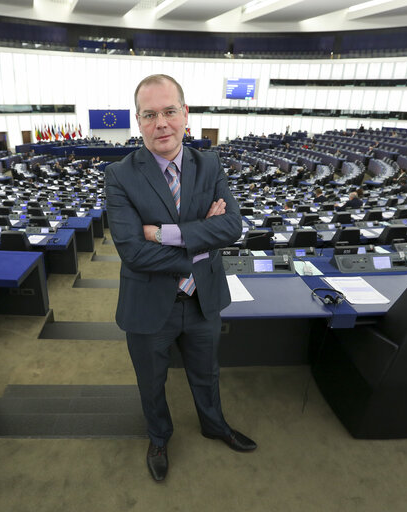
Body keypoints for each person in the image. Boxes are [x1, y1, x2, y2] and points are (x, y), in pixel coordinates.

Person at [105, 74, 255, 483]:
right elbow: (133, 252)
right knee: (151, 383)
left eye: (170, 111)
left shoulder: (210, 164)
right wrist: (201, 244)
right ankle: (158, 437)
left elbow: (233, 227)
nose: (161, 124)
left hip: (202, 300)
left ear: (185, 114)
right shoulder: (119, 175)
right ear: (139, 121)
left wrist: (165, 234)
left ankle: (214, 424)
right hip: (150, 306)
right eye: (150, 114)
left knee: (207, 374)